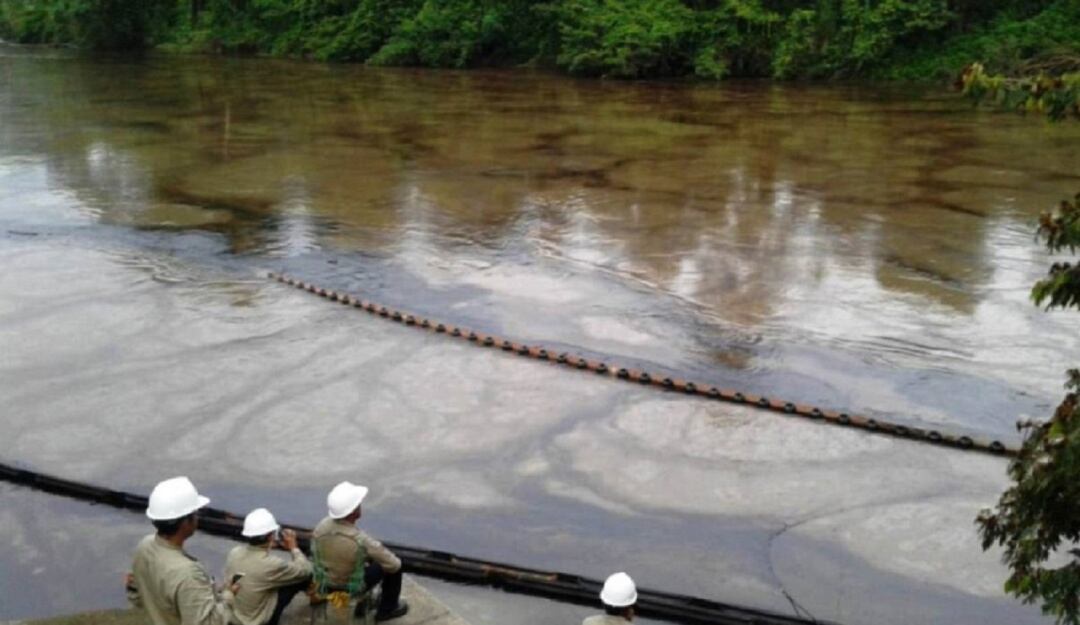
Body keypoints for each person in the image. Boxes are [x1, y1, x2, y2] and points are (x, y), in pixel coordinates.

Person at [127, 476, 237, 625]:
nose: (197, 517)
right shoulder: (188, 572)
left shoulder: (144, 546)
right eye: (195, 513)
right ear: (186, 522)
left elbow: (136, 593)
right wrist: (228, 596)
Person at [311, 481, 408, 622]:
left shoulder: (322, 526)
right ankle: (387, 609)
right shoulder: (360, 540)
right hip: (349, 587)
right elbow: (393, 564)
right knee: (394, 565)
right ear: (353, 512)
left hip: (325, 582)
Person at [223, 508, 313, 625]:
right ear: (271, 536)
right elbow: (306, 570)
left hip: (233, 617)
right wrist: (294, 548)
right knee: (300, 577)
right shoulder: (272, 564)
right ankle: (317, 600)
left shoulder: (234, 553)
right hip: (256, 621)